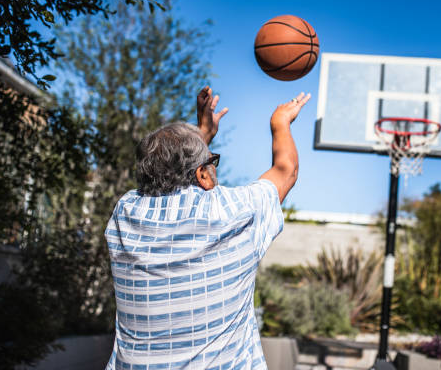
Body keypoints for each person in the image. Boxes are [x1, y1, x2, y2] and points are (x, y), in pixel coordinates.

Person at [104, 86, 311, 370]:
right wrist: (281, 122)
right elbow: (286, 169)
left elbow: (174, 173)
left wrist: (201, 134)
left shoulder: (124, 214)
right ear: (202, 174)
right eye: (210, 163)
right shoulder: (233, 212)